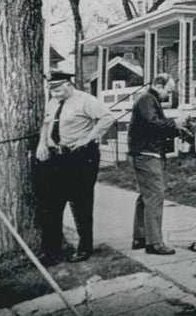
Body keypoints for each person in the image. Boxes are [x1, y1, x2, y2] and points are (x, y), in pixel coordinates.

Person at [35, 70, 115, 263]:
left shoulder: (86, 100)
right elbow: (46, 123)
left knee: (81, 204)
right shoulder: (53, 102)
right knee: (51, 205)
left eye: (58, 90)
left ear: (69, 85)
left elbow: (108, 118)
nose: (55, 94)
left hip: (80, 158)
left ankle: (84, 247)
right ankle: (52, 251)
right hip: (55, 159)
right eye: (52, 91)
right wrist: (42, 144)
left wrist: (88, 138)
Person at [128, 73, 181, 255]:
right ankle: (154, 243)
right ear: (159, 85)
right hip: (147, 154)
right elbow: (154, 124)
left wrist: (176, 131)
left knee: (146, 196)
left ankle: (141, 237)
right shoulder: (147, 100)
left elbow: (154, 125)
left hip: (144, 152)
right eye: (168, 90)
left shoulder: (148, 100)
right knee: (155, 195)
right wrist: (175, 125)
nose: (169, 94)